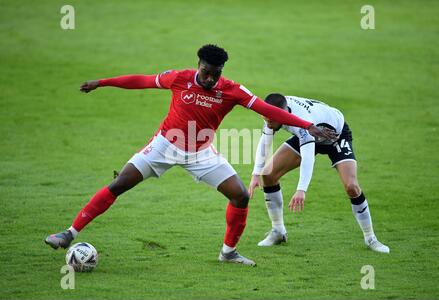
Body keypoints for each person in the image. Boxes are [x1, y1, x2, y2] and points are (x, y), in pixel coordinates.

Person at [45, 45, 337, 266]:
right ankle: (69, 233)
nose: (210, 78)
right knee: (120, 183)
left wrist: (307, 125)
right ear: (199, 65)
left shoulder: (232, 90)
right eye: (206, 71)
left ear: (222, 70)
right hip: (164, 146)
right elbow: (142, 81)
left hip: (200, 152)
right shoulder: (180, 78)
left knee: (240, 196)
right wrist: (104, 82)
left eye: (215, 73)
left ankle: (228, 252)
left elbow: (266, 109)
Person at [248, 93, 389, 253]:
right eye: (265, 120)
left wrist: (301, 189)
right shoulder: (272, 112)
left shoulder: (302, 121)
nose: (268, 124)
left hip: (335, 136)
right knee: (268, 174)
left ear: (284, 114)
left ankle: (371, 238)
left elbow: (308, 156)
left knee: (352, 187)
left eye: (271, 120)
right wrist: (255, 174)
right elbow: (265, 141)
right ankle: (278, 231)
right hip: (311, 132)